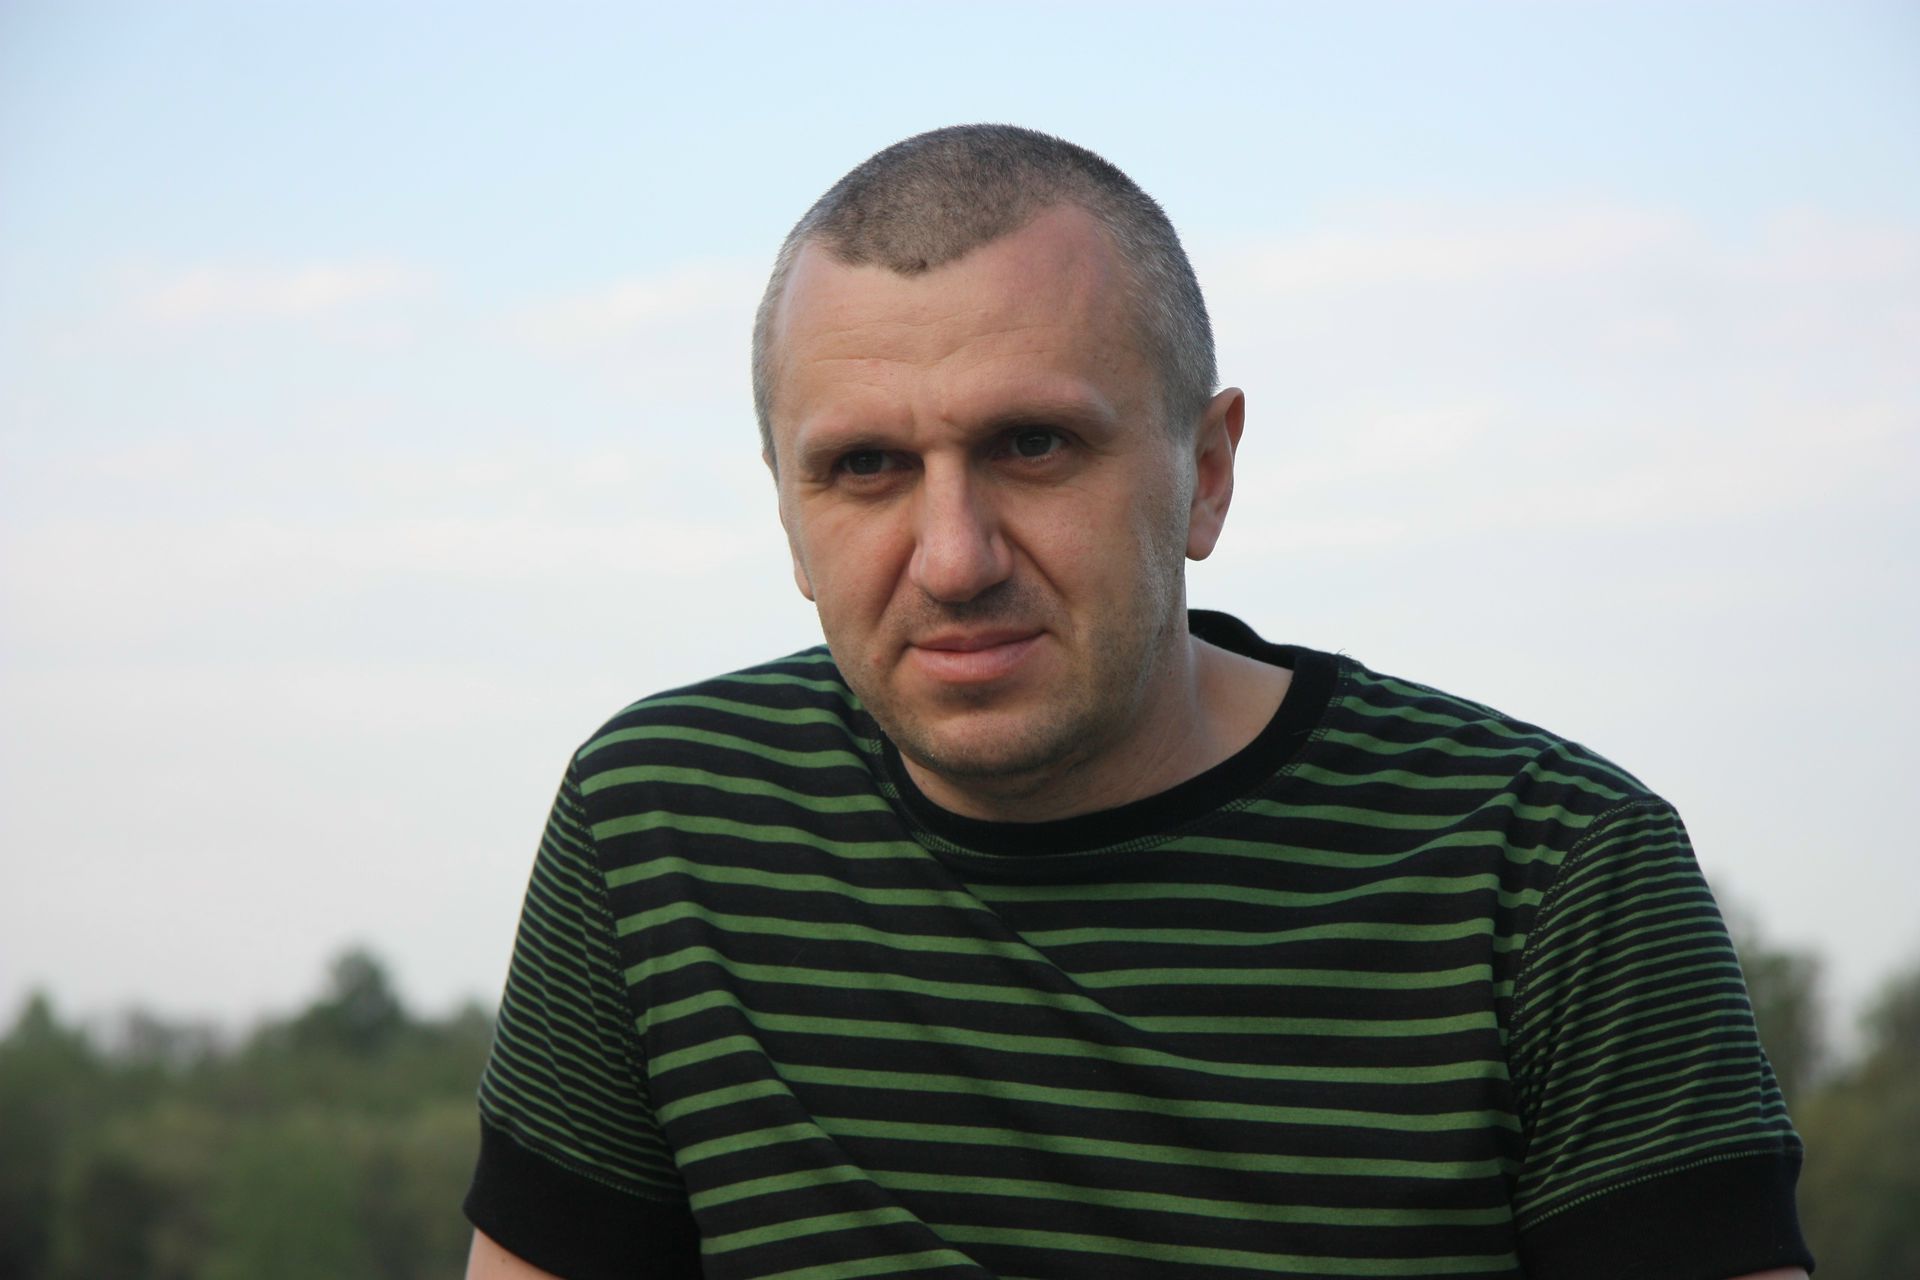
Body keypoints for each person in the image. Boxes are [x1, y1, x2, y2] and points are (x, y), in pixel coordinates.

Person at [463, 125, 1813, 1280]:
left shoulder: (1551, 872)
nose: (954, 558)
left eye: (1032, 444)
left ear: (1206, 473)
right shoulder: (661, 828)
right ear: (787, 513)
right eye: (867, 467)